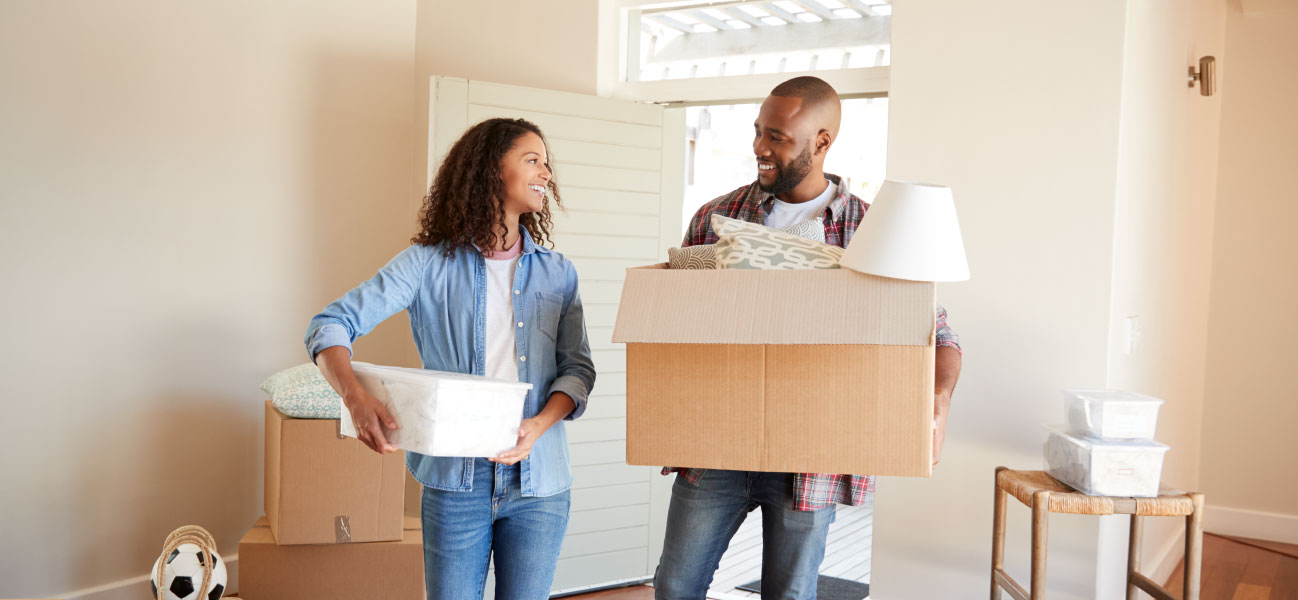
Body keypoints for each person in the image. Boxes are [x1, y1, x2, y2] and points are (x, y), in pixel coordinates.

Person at [652, 76, 964, 600]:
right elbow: (679, 320)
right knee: (676, 587)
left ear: (822, 142)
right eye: (757, 133)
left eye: (777, 137)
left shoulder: (872, 231)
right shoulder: (713, 219)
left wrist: (936, 403)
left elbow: (938, 333)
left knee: (790, 594)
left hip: (811, 451)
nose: (759, 148)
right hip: (716, 443)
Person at [304, 117, 596, 600]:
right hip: (456, 483)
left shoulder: (558, 273)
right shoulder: (426, 264)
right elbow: (329, 325)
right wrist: (354, 397)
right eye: (531, 160)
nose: (546, 172)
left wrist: (539, 425)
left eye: (546, 163)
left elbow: (578, 370)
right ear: (490, 170)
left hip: (540, 481)